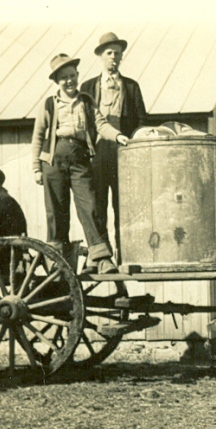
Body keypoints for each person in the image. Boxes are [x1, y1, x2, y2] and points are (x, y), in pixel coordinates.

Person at [32, 53, 130, 274]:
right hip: (53, 160)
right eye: (64, 78)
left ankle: (102, 258)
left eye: (72, 76)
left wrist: (117, 136)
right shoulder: (49, 104)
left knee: (91, 206)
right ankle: (57, 264)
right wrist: (36, 168)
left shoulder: (86, 101)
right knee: (56, 211)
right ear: (57, 81)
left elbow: (101, 124)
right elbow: (38, 136)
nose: (70, 81)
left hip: (80, 159)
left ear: (77, 76)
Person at [80, 32, 148, 263]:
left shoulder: (131, 86)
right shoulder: (88, 86)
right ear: (100, 56)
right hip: (97, 153)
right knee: (97, 206)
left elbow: (141, 121)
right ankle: (100, 258)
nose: (114, 58)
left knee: (125, 207)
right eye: (109, 53)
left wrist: (133, 147)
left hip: (123, 154)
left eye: (117, 53)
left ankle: (125, 257)